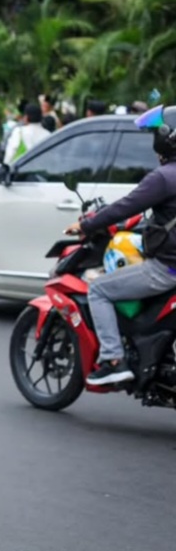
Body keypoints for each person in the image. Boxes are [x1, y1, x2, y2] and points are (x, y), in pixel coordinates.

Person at [66, 105, 176, 386]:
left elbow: (125, 206)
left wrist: (87, 225)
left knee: (99, 289)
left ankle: (113, 360)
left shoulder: (163, 178)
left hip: (168, 268)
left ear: (166, 139)